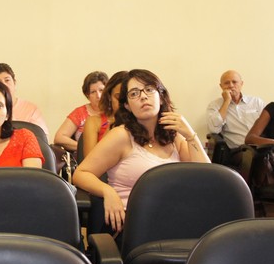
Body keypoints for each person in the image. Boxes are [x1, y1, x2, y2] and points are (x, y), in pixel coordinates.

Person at [73, 69, 210, 232]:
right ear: (127, 106)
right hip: (134, 223)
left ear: (161, 97)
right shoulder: (121, 135)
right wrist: (107, 191)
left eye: (149, 90)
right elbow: (81, 173)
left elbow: (206, 179)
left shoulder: (175, 137)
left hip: (177, 219)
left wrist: (191, 136)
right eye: (134, 94)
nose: (143, 96)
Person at [206, 70, 266, 165]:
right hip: (239, 151)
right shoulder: (215, 105)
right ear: (221, 86)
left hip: (261, 147)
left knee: (271, 157)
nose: (231, 85)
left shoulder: (256, 102)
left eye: (234, 82)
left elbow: (268, 125)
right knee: (257, 160)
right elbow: (214, 130)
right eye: (226, 83)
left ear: (241, 84)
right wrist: (226, 101)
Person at [0, 63, 49, 140]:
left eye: (7, 80)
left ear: (15, 83)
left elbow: (42, 139)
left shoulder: (31, 109)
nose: (4, 85)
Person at [54, 71, 107, 153]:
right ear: (87, 95)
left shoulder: (115, 112)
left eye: (101, 90)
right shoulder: (80, 113)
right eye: (93, 92)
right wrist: (84, 147)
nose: (98, 96)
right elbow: (59, 137)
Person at [82, 70, 127, 158]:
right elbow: (90, 162)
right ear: (109, 97)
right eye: (119, 97)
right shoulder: (94, 121)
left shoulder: (143, 120)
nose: (124, 102)